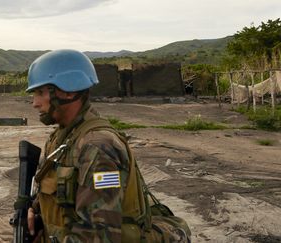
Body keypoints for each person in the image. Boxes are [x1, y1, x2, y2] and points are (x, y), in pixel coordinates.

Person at [26, 49, 190, 242]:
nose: (34, 103)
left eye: (39, 92)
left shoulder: (98, 148)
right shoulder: (61, 138)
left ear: (67, 92)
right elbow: (56, 194)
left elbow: (99, 235)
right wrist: (35, 211)